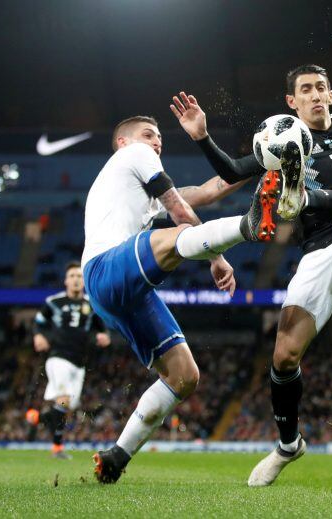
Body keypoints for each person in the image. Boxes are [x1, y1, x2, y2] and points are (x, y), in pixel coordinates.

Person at [171, 64, 332, 486]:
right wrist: (201, 136)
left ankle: (303, 195)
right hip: (319, 258)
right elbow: (232, 173)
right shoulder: (280, 142)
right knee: (284, 356)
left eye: (321, 88)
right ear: (291, 102)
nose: (315, 95)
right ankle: (288, 444)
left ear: (331, 95)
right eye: (305, 90)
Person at [87, 115, 277, 483]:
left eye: (159, 137)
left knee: (184, 377)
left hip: (122, 292)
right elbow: (179, 210)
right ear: (125, 143)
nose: (156, 142)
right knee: (178, 232)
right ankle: (246, 226)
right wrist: (218, 257)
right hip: (105, 268)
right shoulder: (135, 157)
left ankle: (116, 457)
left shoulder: (134, 189)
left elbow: (208, 191)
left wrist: (264, 159)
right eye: (148, 135)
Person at [27, 261, 111, 459]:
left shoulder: (91, 305)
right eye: (72, 276)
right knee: (63, 401)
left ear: (84, 281)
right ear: (66, 281)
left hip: (80, 363)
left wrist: (104, 336)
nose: (75, 279)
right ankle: (40, 421)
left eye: (79, 276)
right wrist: (38, 335)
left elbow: (103, 328)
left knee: (66, 408)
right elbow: (38, 323)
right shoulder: (53, 302)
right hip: (58, 358)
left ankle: (55, 446)